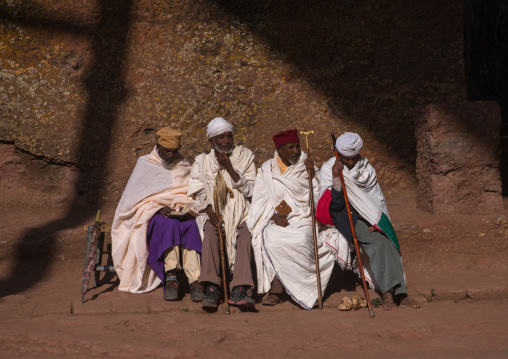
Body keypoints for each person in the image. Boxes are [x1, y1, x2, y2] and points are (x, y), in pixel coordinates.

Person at [320, 132, 420, 310]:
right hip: (347, 217)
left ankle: (402, 293)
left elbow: (376, 199)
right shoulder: (330, 168)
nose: (351, 162)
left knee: (389, 241)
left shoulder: (367, 168)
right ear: (339, 154)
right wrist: (336, 176)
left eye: (354, 158)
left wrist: (376, 221)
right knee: (378, 243)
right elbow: (334, 205)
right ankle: (388, 293)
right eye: (347, 158)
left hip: (371, 216)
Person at [111, 127, 205, 302]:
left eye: (174, 152)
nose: (171, 155)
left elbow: (189, 193)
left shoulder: (183, 165)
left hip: (179, 213)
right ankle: (171, 278)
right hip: (153, 214)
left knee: (190, 225)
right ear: (158, 147)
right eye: (167, 151)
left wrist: (184, 207)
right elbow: (134, 199)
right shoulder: (145, 163)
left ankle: (195, 280)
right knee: (168, 225)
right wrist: (157, 208)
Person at [248, 129, 336, 310]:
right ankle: (276, 290)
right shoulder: (267, 169)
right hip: (277, 218)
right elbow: (259, 200)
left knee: (302, 238)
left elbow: (319, 198)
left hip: (304, 217)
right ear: (280, 150)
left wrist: (313, 177)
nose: (296, 151)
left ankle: (309, 290)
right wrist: (273, 217)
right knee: (270, 238)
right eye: (291, 148)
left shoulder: (309, 166)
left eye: (297, 146)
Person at [187, 117, 257, 309]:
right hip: (212, 212)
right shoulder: (201, 162)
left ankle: (240, 288)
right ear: (211, 142)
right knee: (210, 233)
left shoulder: (245, 156)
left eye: (229, 136)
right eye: (221, 138)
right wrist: (208, 210)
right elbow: (197, 190)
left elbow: (251, 190)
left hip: (241, 211)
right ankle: (212, 287)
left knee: (245, 235)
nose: (226, 141)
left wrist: (229, 168)